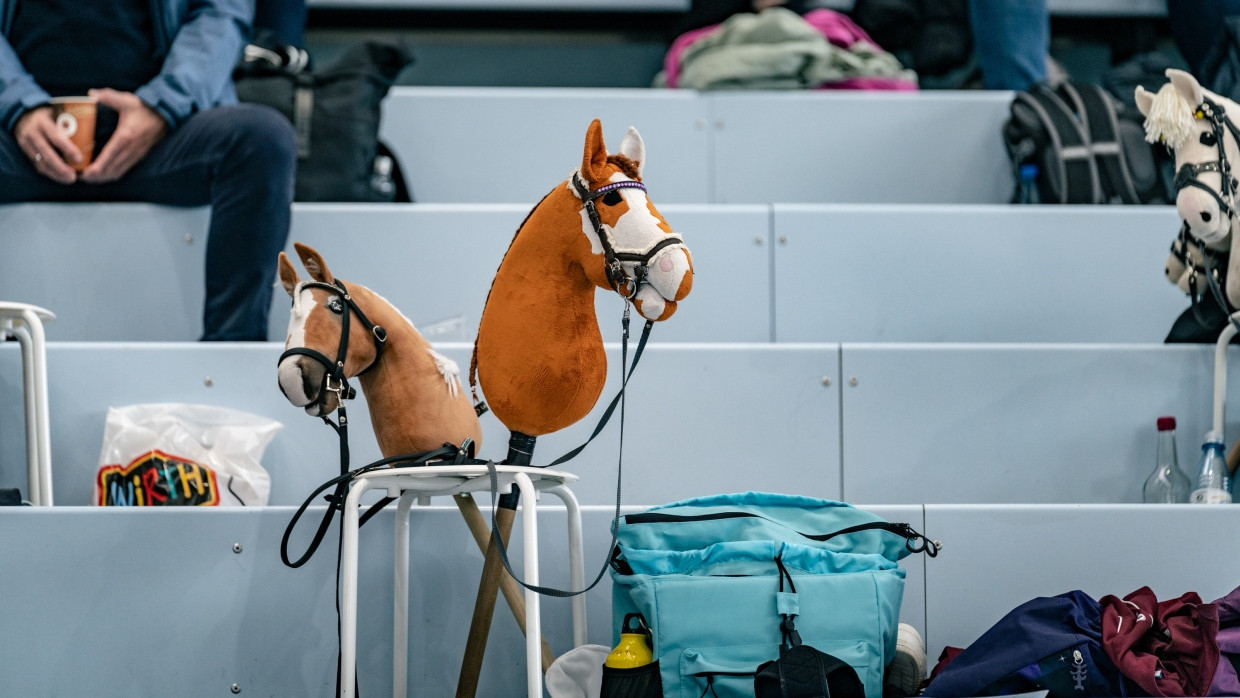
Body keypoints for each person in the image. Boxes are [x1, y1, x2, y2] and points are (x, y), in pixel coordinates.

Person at [0, 0, 297, 341]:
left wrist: (163, 104)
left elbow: (220, 13)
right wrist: (18, 105)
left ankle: (231, 352)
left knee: (262, 139)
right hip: (18, 140)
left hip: (160, 140)